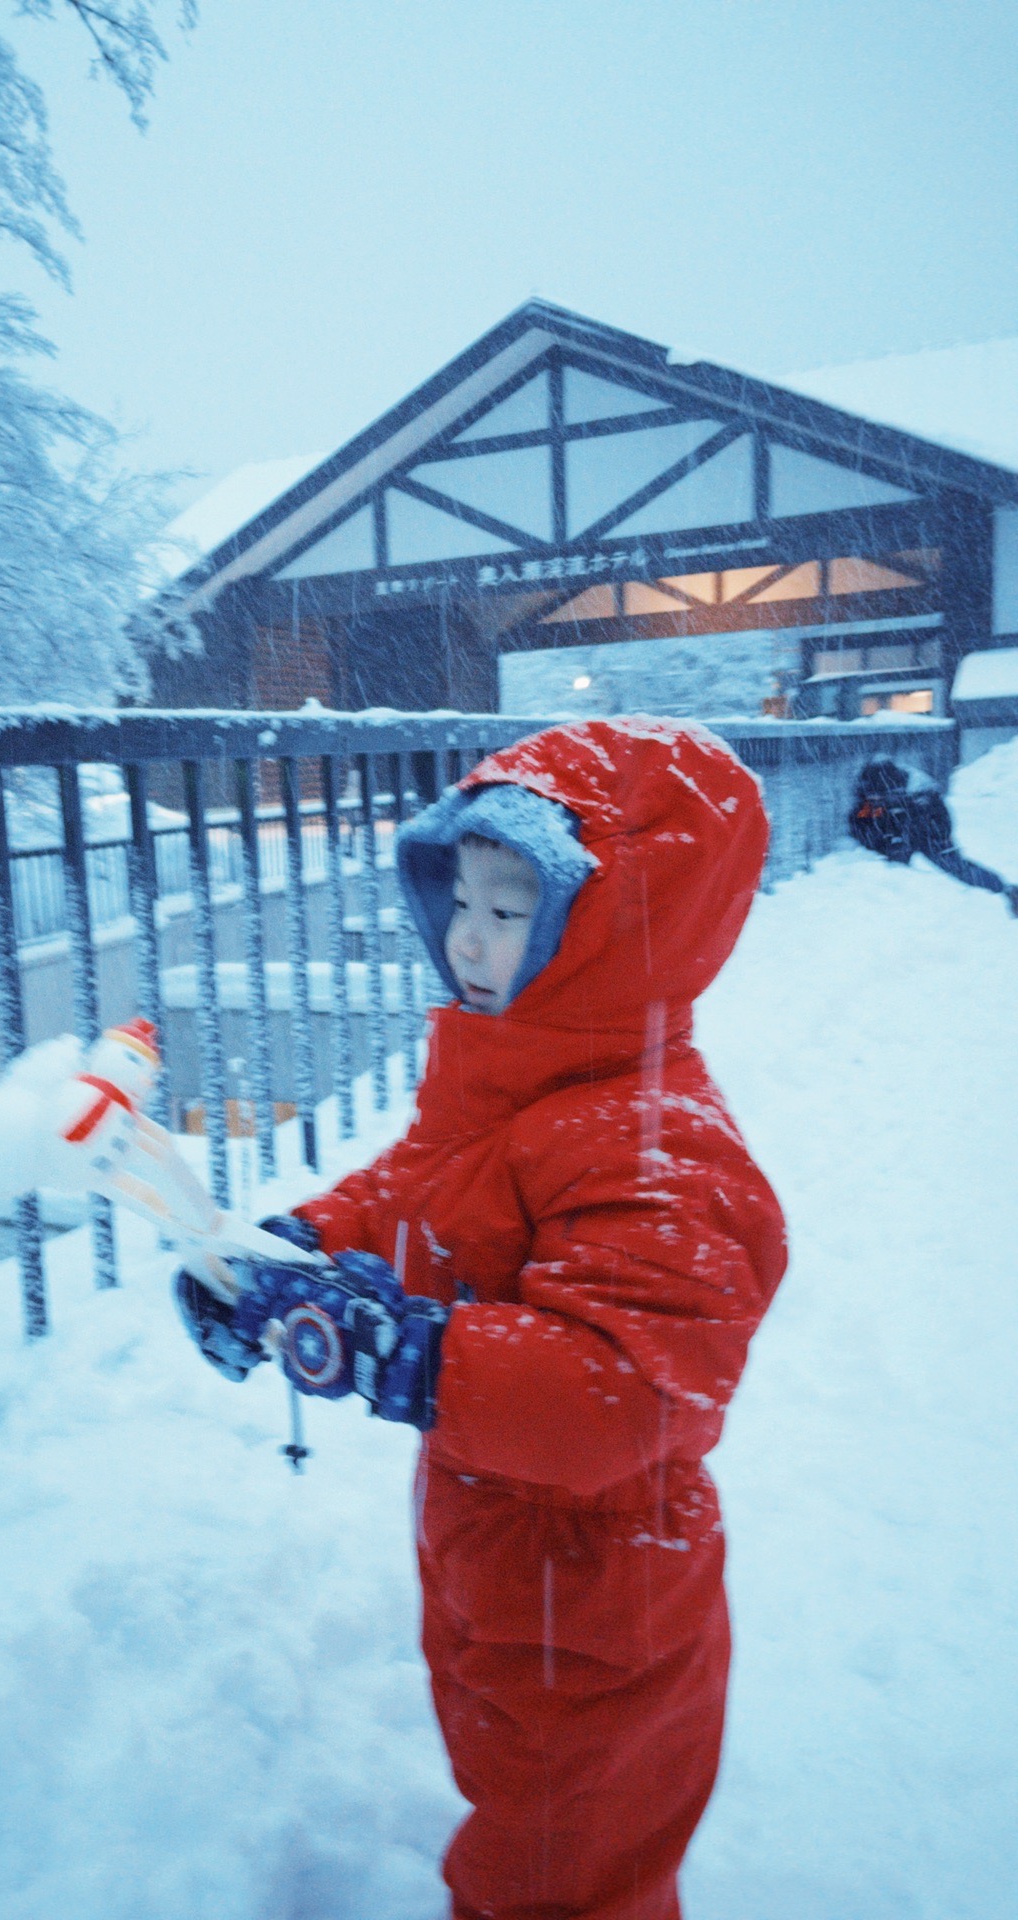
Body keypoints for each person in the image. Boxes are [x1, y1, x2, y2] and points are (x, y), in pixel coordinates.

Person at [174, 718, 788, 1920]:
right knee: (513, 1784)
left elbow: (618, 1389)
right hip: (498, 1543)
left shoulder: (661, 1144)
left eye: (512, 911)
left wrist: (399, 1351)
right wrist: (297, 1249)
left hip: (603, 1583)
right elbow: (413, 1190)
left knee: (563, 1873)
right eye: (460, 897)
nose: (466, 934)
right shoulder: (512, 1082)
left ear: (616, 925)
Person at [849, 756, 1018, 913]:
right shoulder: (872, 785)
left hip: (932, 833)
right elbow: (859, 819)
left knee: (958, 868)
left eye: (878, 797)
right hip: (904, 828)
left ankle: (1007, 890)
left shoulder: (921, 794)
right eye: (872, 797)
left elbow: (932, 824)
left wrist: (902, 842)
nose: (874, 800)